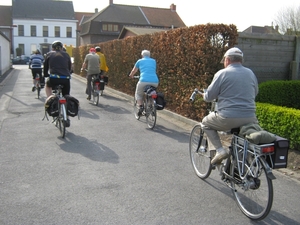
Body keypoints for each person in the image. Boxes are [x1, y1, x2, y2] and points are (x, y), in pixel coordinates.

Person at [199, 47, 259, 165]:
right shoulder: (250, 73)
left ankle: (220, 151)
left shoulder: (222, 73)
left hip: (228, 117)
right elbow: (255, 92)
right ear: (241, 60)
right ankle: (244, 168)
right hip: (250, 117)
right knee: (242, 140)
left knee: (205, 123)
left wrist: (204, 95)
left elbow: (209, 96)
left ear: (227, 60)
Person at [129, 50, 159, 115]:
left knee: (139, 94)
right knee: (151, 93)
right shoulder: (153, 61)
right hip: (155, 81)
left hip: (143, 80)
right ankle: (151, 106)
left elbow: (134, 70)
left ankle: (141, 107)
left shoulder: (139, 61)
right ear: (149, 55)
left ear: (142, 55)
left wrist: (131, 75)